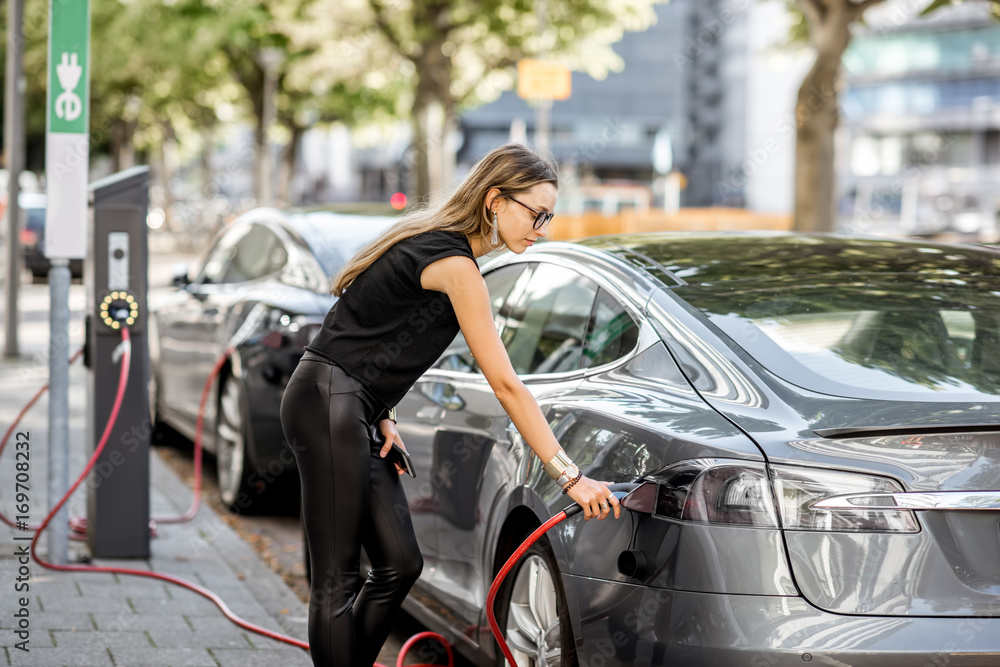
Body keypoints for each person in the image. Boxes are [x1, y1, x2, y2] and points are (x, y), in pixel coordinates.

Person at [279, 143, 622, 667]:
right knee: (338, 577)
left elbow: (369, 326)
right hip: (328, 400)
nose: (543, 228)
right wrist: (571, 477)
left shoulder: (441, 249)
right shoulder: (453, 262)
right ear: (494, 201)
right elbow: (506, 385)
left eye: (549, 216)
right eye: (536, 213)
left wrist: (383, 411)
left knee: (399, 564)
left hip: (352, 405)